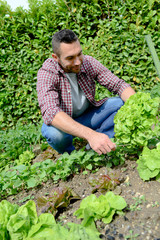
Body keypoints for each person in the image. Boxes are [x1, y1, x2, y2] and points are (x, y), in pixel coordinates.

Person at [37, 29, 135, 155]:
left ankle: (99, 143)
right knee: (54, 134)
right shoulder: (47, 73)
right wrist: (90, 135)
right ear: (56, 57)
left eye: (79, 54)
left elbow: (118, 85)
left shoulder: (88, 62)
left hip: (88, 117)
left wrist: (139, 107)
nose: (78, 62)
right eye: (70, 58)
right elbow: (51, 112)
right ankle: (72, 156)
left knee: (121, 103)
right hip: (63, 124)